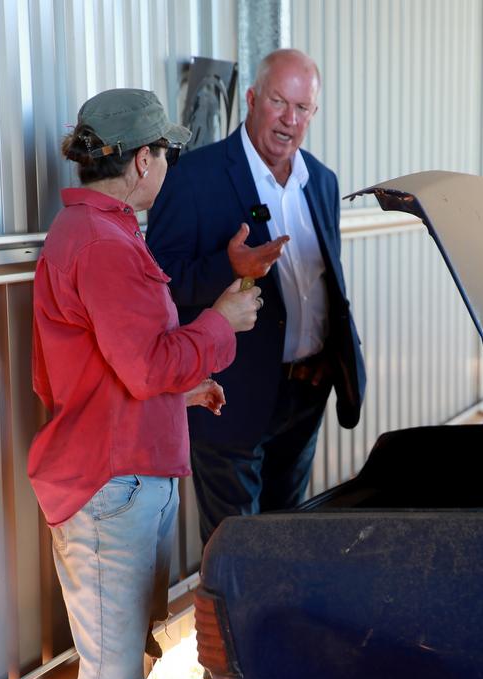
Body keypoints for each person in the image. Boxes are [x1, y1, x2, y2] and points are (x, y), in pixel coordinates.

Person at [27, 88, 262, 679]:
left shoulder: (100, 233)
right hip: (108, 490)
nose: (167, 163)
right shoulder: (103, 243)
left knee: (125, 664)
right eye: (165, 152)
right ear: (142, 162)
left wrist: (181, 390)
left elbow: (109, 370)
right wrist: (220, 324)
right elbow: (143, 358)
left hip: (127, 472)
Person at [147, 48, 366, 552]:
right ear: (251, 98)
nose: (290, 120)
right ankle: (228, 634)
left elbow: (323, 284)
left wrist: (330, 357)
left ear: (314, 112)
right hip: (229, 398)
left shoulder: (323, 182)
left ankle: (275, 631)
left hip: (305, 392)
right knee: (238, 553)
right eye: (278, 102)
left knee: (286, 541)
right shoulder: (193, 179)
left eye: (303, 109)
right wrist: (231, 267)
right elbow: (159, 286)